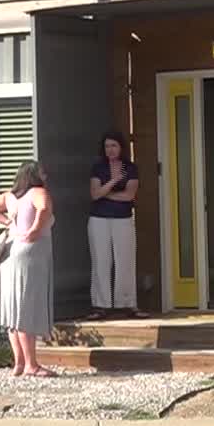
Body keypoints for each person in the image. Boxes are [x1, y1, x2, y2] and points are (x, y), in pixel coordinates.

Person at [0, 161, 55, 378]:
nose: (45, 175)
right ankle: (32, 365)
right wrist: (34, 230)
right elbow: (43, 209)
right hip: (30, 253)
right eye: (42, 172)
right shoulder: (38, 192)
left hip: (10, 251)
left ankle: (19, 363)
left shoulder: (10, 196)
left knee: (13, 307)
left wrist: (6, 222)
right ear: (34, 175)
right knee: (26, 307)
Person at [88, 131, 142, 318]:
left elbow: (129, 195)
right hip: (98, 219)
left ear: (121, 147)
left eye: (114, 146)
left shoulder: (130, 167)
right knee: (100, 261)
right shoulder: (98, 167)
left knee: (125, 260)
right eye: (107, 146)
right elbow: (94, 194)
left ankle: (127, 303)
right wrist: (113, 181)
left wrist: (106, 193)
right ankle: (100, 305)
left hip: (123, 218)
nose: (110, 150)